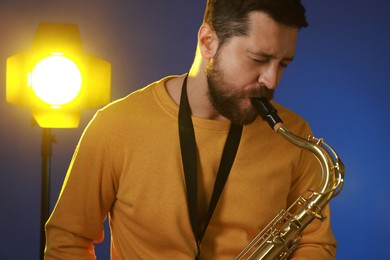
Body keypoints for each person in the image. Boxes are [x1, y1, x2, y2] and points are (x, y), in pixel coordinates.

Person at [45, 0, 337, 259]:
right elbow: (67, 241)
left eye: (283, 64)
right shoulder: (115, 125)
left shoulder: (296, 134)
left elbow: (316, 244)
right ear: (208, 41)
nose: (272, 80)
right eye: (259, 59)